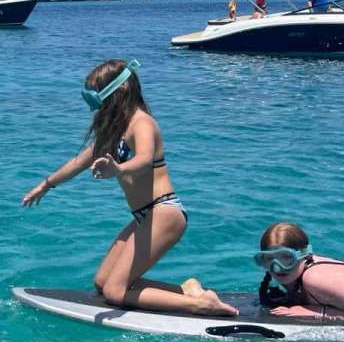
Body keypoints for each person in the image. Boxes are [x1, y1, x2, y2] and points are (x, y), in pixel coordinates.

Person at [21, 59, 235, 316]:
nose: (93, 100)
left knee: (115, 291)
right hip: (145, 215)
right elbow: (79, 162)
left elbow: (144, 159)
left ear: (119, 90)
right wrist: (46, 184)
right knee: (103, 283)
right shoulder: (116, 129)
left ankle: (201, 304)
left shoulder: (142, 122)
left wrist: (119, 169)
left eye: (96, 92)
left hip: (164, 212)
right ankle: (186, 291)